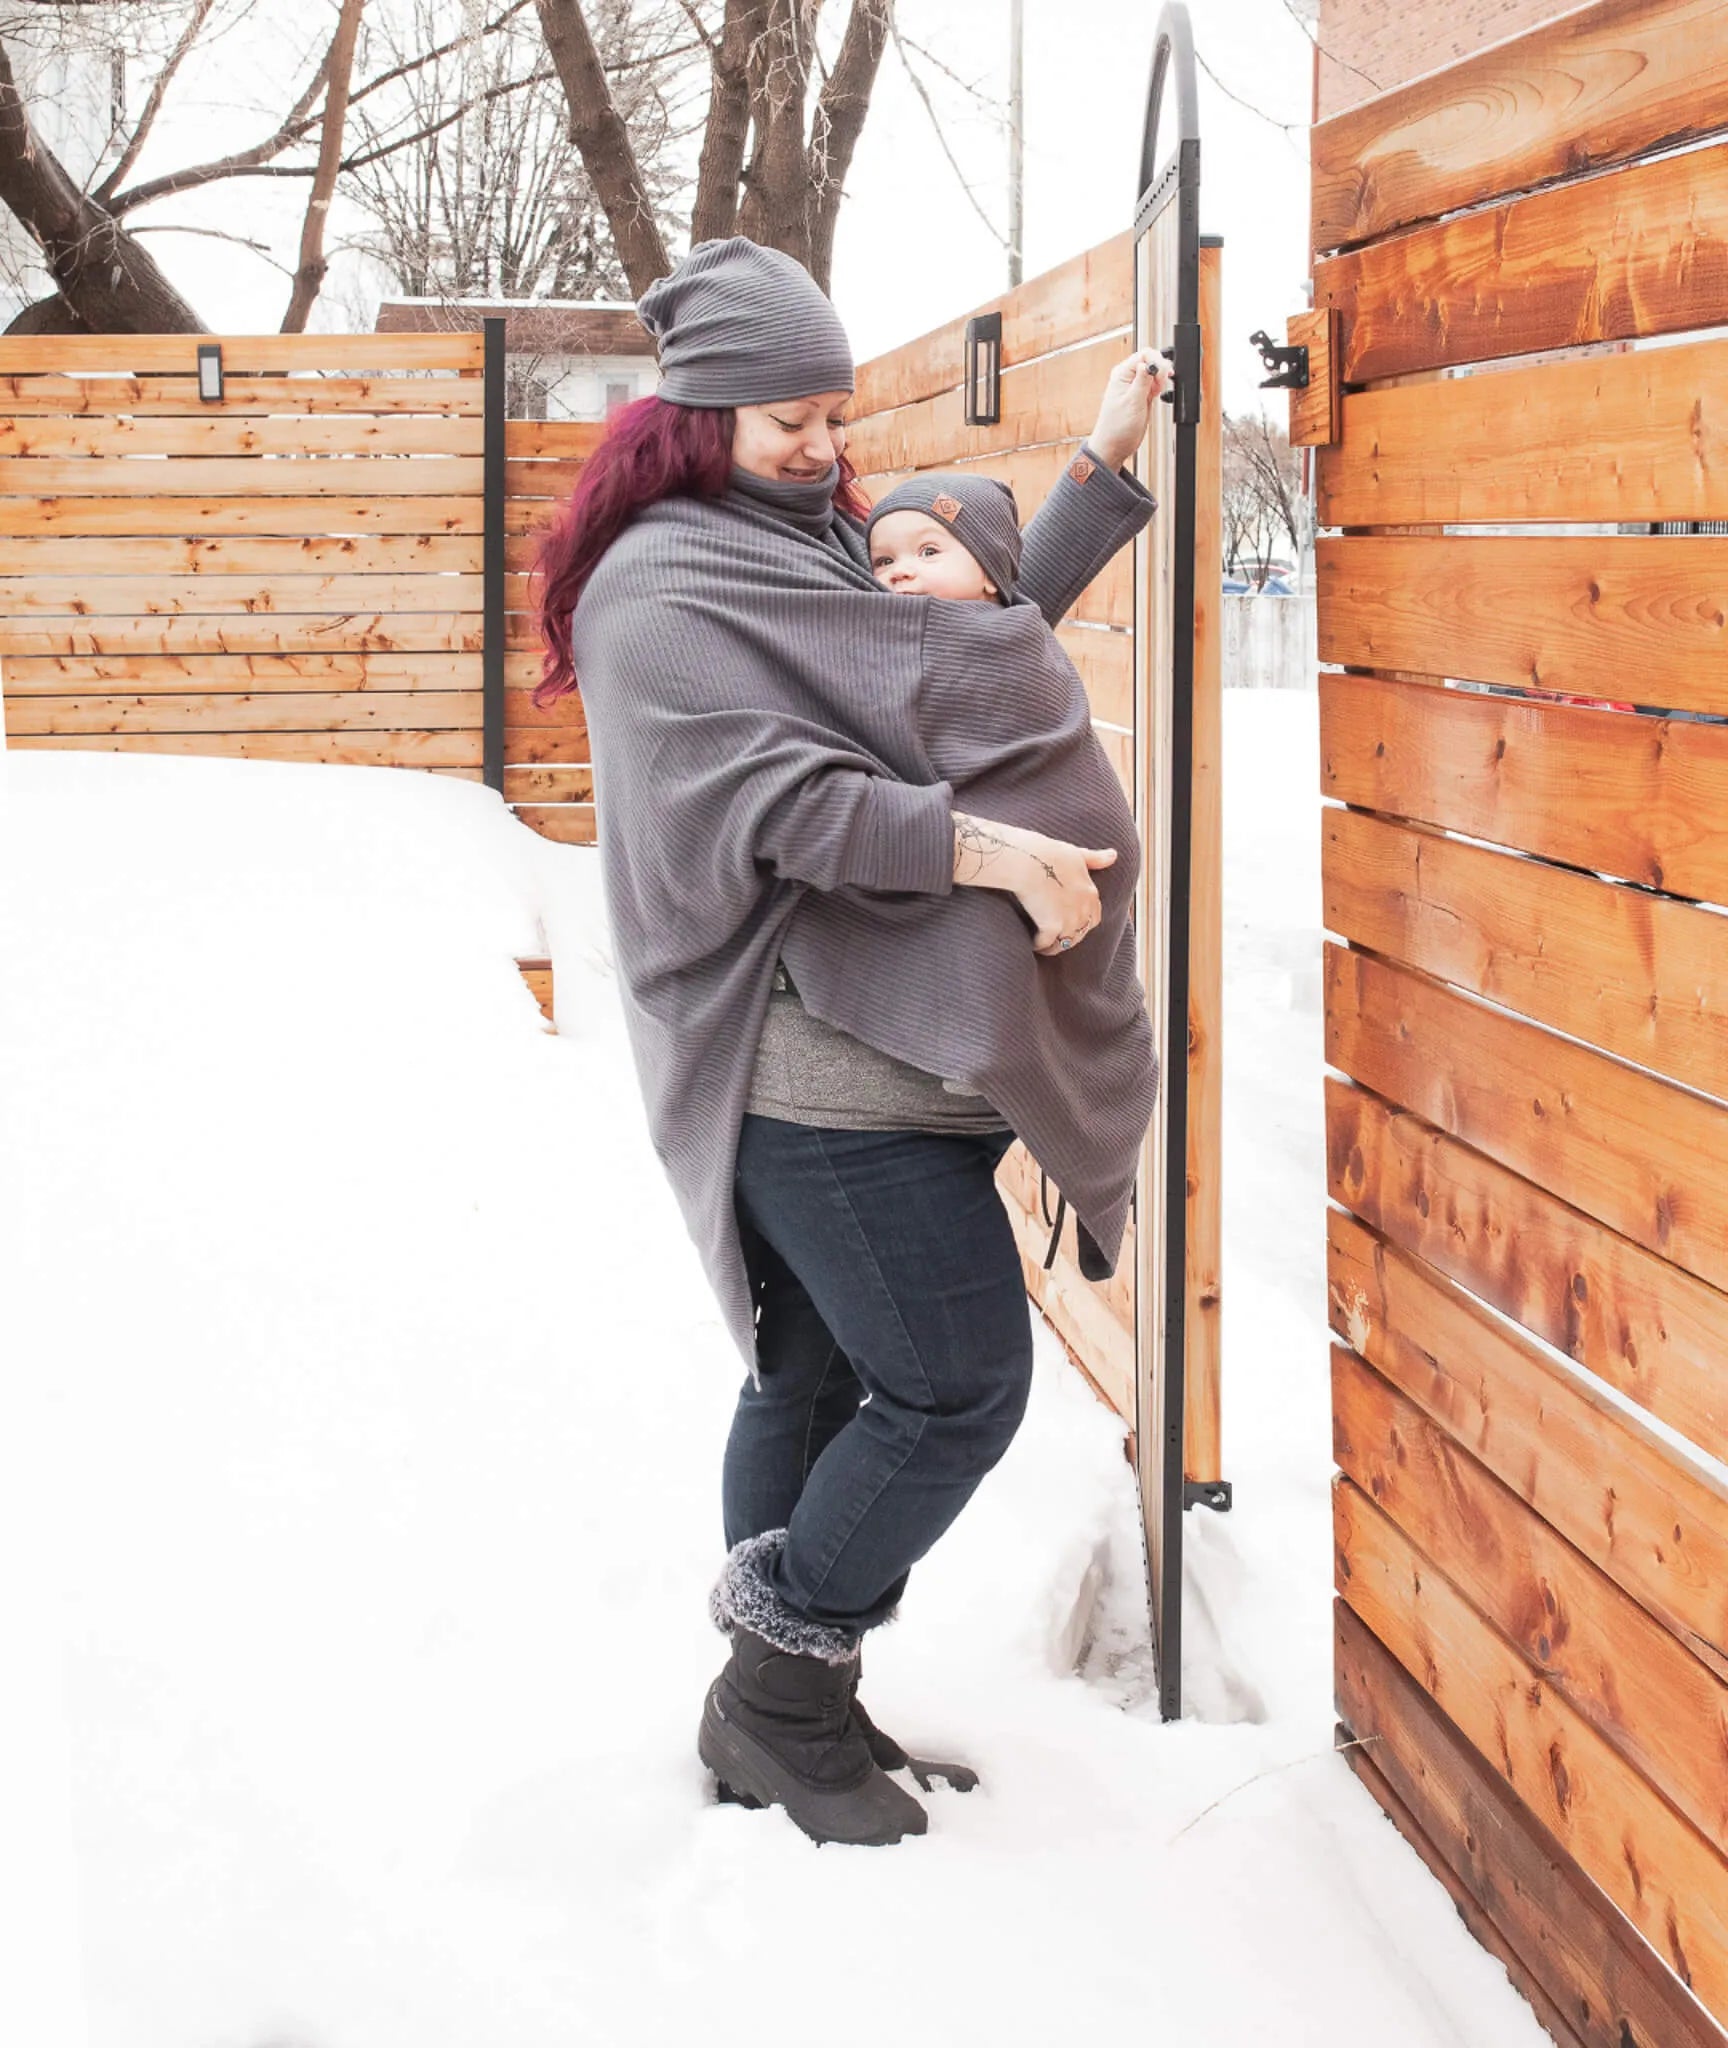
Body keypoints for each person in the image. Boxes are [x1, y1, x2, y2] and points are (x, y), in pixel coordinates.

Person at [534, 237, 1165, 1848]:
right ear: (702, 415)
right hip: (800, 1061)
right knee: (957, 1384)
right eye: (791, 421)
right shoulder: (660, 592)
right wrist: (991, 854)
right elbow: (774, 807)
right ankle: (777, 1696)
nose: (828, 450)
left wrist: (1094, 467)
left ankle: (793, 1701)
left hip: (876, 1049)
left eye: (835, 412)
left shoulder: (806, 541)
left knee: (817, 1386)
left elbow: (949, 652)